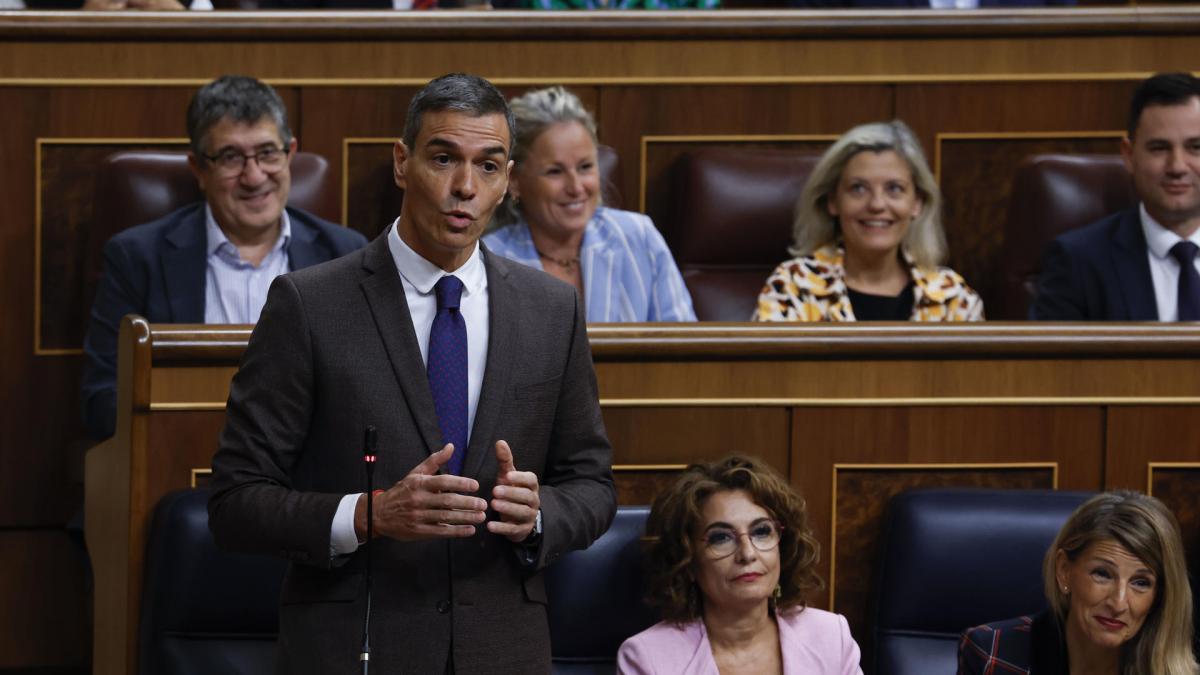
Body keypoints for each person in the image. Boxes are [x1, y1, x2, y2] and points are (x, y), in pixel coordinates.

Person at [207, 73, 616, 674]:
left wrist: (539, 516)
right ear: (402, 162)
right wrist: (369, 515)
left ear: (507, 181)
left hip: (503, 649)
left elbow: (593, 485)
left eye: (489, 166)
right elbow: (236, 501)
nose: (464, 188)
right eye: (444, 158)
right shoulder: (309, 304)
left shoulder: (550, 309)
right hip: (355, 645)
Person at [79, 75, 367, 441]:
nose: (254, 176)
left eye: (267, 153)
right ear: (199, 168)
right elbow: (102, 398)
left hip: (306, 472)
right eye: (231, 157)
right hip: (187, 463)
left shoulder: (344, 253)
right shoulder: (138, 258)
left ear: (290, 153)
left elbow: (364, 388)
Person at [618, 456, 862, 675]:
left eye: (761, 532)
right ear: (687, 560)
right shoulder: (648, 659)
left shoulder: (830, 637)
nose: (747, 554)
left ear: (782, 547)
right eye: (721, 538)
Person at [482, 86, 696, 323]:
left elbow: (685, 350)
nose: (576, 187)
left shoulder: (639, 238)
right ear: (514, 181)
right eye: (555, 172)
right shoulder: (490, 259)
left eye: (585, 167)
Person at [754, 120, 983, 322]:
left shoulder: (951, 297)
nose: (876, 204)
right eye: (858, 188)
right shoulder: (794, 287)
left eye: (894, 189)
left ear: (917, 203)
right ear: (833, 201)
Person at [959, 491, 1198, 675]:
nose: (1118, 603)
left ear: (1159, 595)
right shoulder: (993, 655)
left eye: (1141, 582)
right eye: (1102, 574)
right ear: (1064, 571)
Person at [1031, 72, 1200, 321]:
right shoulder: (1077, 262)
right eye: (1159, 148)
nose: (1177, 166)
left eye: (1196, 147)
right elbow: (1048, 361)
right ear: (1129, 155)